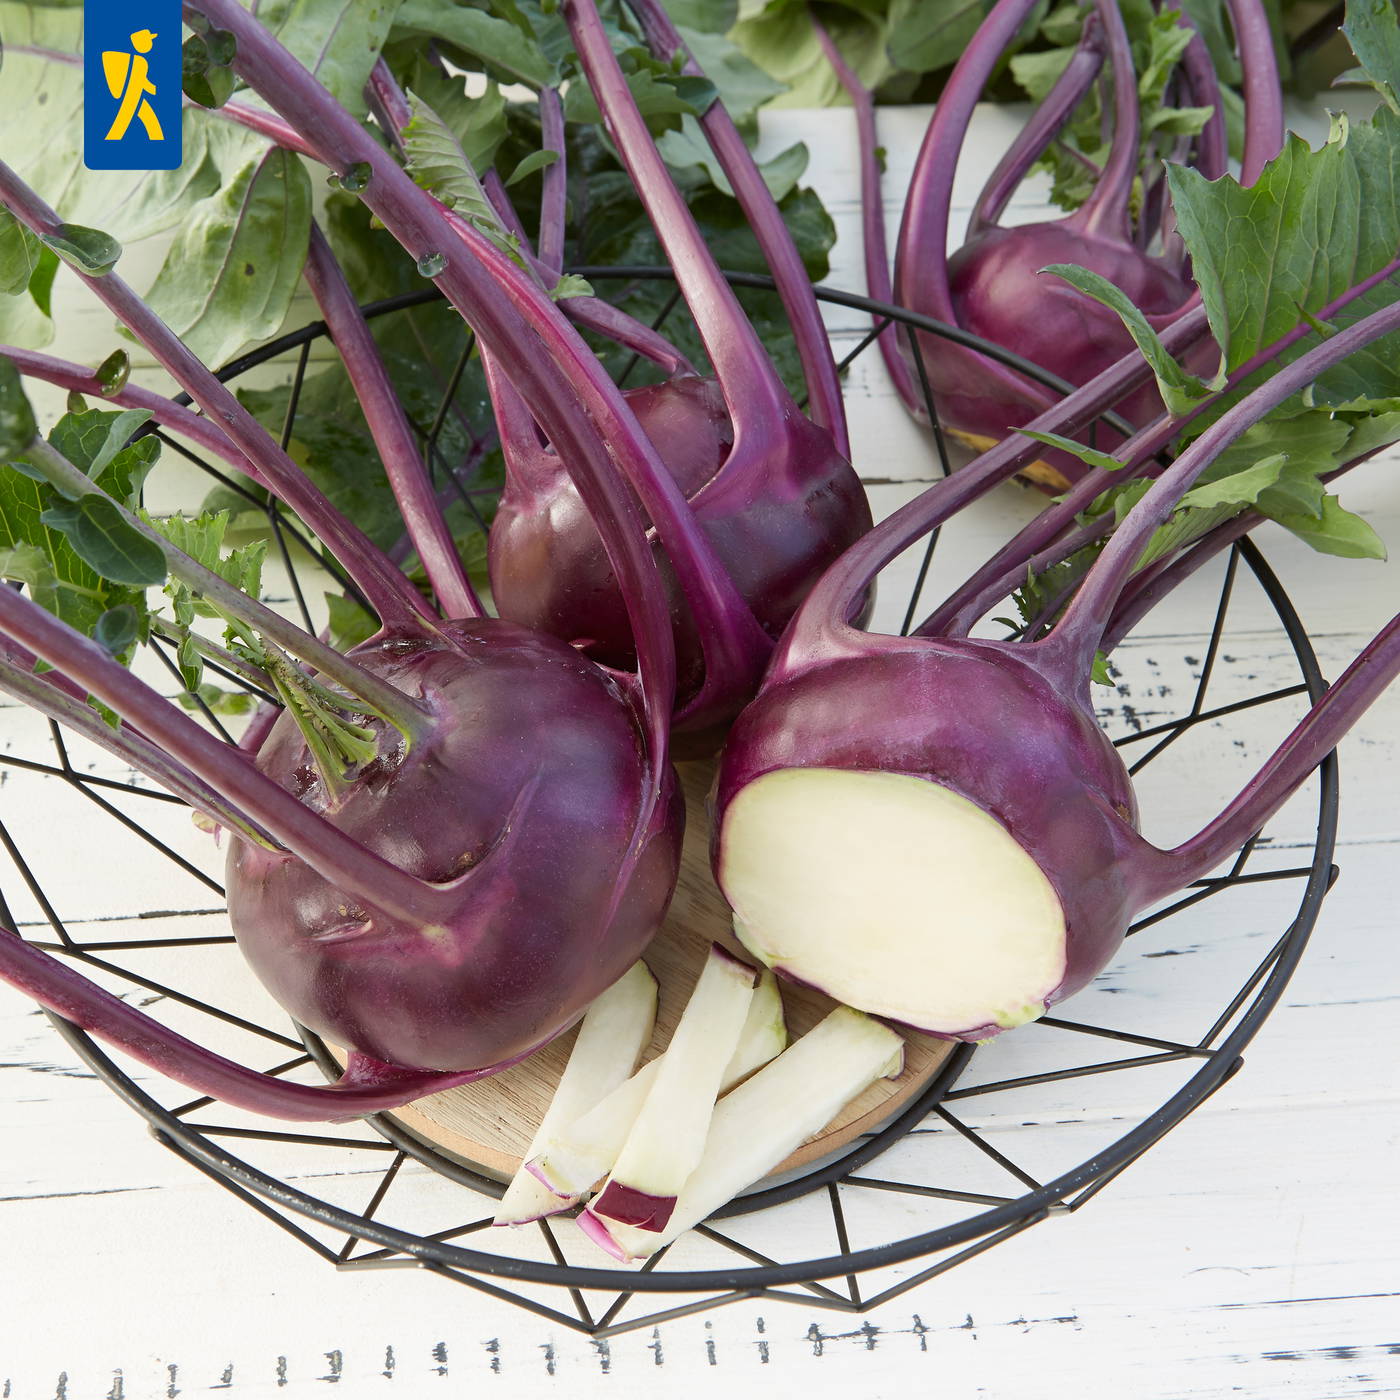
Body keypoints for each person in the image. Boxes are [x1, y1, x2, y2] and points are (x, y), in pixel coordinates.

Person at [102, 29, 164, 143]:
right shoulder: (137, 62)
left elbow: (146, 85)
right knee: (124, 123)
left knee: (148, 122)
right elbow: (145, 85)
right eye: (148, 41)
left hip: (132, 95)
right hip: (131, 96)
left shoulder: (132, 59)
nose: (151, 44)